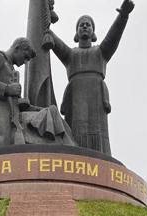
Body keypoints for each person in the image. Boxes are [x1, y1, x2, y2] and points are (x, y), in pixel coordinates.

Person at [43, 0, 135, 155]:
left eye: (88, 24)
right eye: (81, 25)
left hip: (96, 99)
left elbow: (114, 36)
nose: (84, 26)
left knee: (98, 131)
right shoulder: (70, 55)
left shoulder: (100, 52)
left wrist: (123, 15)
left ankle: (100, 162)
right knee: (76, 132)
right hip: (76, 98)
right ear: (76, 34)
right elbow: (51, 36)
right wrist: (42, 17)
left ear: (93, 33)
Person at [0, 37, 75, 158]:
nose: (25, 62)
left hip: (14, 114)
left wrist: (23, 103)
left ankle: (70, 149)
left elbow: (12, 97)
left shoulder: (11, 68)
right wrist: (7, 89)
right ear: (17, 48)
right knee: (3, 142)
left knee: (51, 113)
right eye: (25, 57)